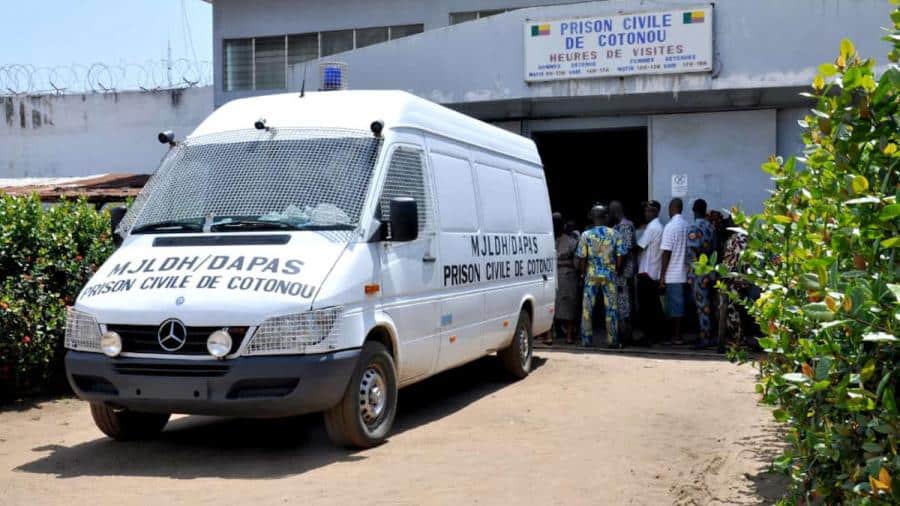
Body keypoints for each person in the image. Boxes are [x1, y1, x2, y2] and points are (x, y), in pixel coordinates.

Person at [576, 205, 625, 348]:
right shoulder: (615, 234)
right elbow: (620, 256)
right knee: (611, 308)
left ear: (592, 217)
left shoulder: (585, 235)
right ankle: (613, 340)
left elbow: (582, 258)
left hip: (591, 274)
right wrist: (615, 269)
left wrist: (582, 274)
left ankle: (586, 340)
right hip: (609, 274)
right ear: (606, 217)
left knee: (587, 308)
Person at [686, 199, 717, 348]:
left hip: (699, 271)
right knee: (709, 304)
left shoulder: (693, 227)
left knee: (702, 306)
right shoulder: (710, 226)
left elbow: (693, 250)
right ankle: (710, 336)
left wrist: (690, 270)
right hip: (710, 269)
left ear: (693, 210)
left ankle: (705, 338)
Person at [659, 198, 689, 345]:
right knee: (681, 306)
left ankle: (676, 337)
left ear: (671, 209)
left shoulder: (670, 227)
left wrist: (662, 275)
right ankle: (678, 335)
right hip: (684, 273)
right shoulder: (687, 225)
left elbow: (666, 252)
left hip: (673, 274)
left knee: (674, 308)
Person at [635, 200, 664, 344]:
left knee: (647, 308)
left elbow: (639, 247)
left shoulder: (652, 228)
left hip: (647, 273)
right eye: (646, 210)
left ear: (657, 212)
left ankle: (648, 337)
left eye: (651, 210)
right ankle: (654, 335)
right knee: (652, 306)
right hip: (653, 272)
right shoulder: (658, 226)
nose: (647, 213)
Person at [609, 201, 636, 344]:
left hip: (624, 272)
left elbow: (624, 250)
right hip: (619, 271)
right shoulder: (616, 227)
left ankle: (626, 336)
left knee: (624, 303)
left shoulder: (625, 226)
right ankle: (622, 334)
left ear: (615, 211)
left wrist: (618, 269)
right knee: (620, 303)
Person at [552, 212, 579, 345]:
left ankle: (551, 336)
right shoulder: (570, 241)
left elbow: (577, 261)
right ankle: (564, 335)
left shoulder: (570, 241)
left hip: (562, 275)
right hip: (563, 275)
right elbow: (577, 262)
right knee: (558, 305)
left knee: (564, 305)